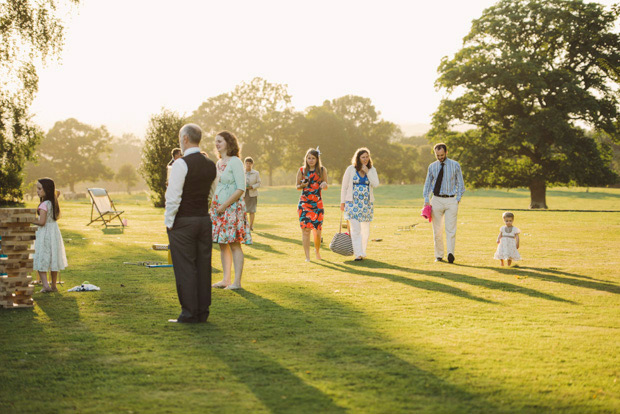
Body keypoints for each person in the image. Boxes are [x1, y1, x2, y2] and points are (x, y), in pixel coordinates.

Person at [165, 124, 217, 323]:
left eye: (180, 137)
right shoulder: (210, 164)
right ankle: (202, 312)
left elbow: (173, 197)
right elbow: (212, 194)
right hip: (204, 220)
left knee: (185, 267)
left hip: (184, 222)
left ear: (185, 139)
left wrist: (169, 222)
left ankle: (188, 313)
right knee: (203, 266)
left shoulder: (181, 164)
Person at [210, 131, 251, 289]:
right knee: (222, 244)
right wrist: (215, 205)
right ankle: (226, 279)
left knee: (234, 244)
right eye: (216, 141)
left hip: (232, 208)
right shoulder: (219, 163)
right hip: (219, 209)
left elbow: (241, 188)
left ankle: (237, 282)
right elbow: (218, 186)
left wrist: (224, 205)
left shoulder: (235, 162)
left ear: (228, 142)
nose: (217, 144)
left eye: (220, 141)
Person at [423, 143, 465, 263]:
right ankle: (439, 255)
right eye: (437, 155)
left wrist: (457, 199)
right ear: (435, 154)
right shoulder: (432, 166)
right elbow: (427, 184)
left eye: (442, 155)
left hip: (451, 200)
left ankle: (450, 254)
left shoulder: (455, 165)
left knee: (450, 229)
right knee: (437, 230)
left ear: (446, 152)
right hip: (436, 199)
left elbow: (460, 183)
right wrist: (426, 199)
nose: (440, 157)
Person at [340, 148, 380, 261]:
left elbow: (376, 184)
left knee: (365, 230)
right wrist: (342, 202)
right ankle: (357, 254)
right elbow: (344, 186)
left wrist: (368, 172)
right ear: (358, 158)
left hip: (366, 204)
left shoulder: (372, 170)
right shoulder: (350, 169)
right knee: (355, 229)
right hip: (352, 204)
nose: (365, 159)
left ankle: (363, 251)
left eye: (367, 156)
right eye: (363, 157)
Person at [32, 178, 68, 293]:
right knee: (53, 257)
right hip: (54, 232)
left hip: (44, 233)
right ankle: (53, 285)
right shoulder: (53, 201)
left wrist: (31, 220)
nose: (37, 191)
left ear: (46, 189)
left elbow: (42, 222)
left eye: (39, 188)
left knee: (42, 257)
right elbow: (57, 192)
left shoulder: (43, 205)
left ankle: (45, 285)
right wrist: (50, 190)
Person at [296, 148, 328, 261]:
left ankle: (317, 251)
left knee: (317, 231)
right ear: (306, 159)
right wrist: (303, 185)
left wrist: (324, 184)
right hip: (304, 203)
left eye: (313, 158)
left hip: (317, 204)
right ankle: (307, 257)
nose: (311, 160)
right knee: (305, 230)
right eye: (309, 158)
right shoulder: (301, 170)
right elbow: (297, 186)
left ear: (317, 159)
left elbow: (326, 184)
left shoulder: (322, 170)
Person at [244, 157, 261, 231]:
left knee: (252, 210)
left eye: (249, 163)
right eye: (247, 163)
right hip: (243, 194)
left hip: (252, 193)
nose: (248, 165)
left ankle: (251, 226)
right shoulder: (241, 172)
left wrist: (252, 187)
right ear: (245, 164)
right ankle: (245, 225)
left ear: (252, 164)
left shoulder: (256, 173)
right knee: (243, 211)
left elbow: (259, 183)